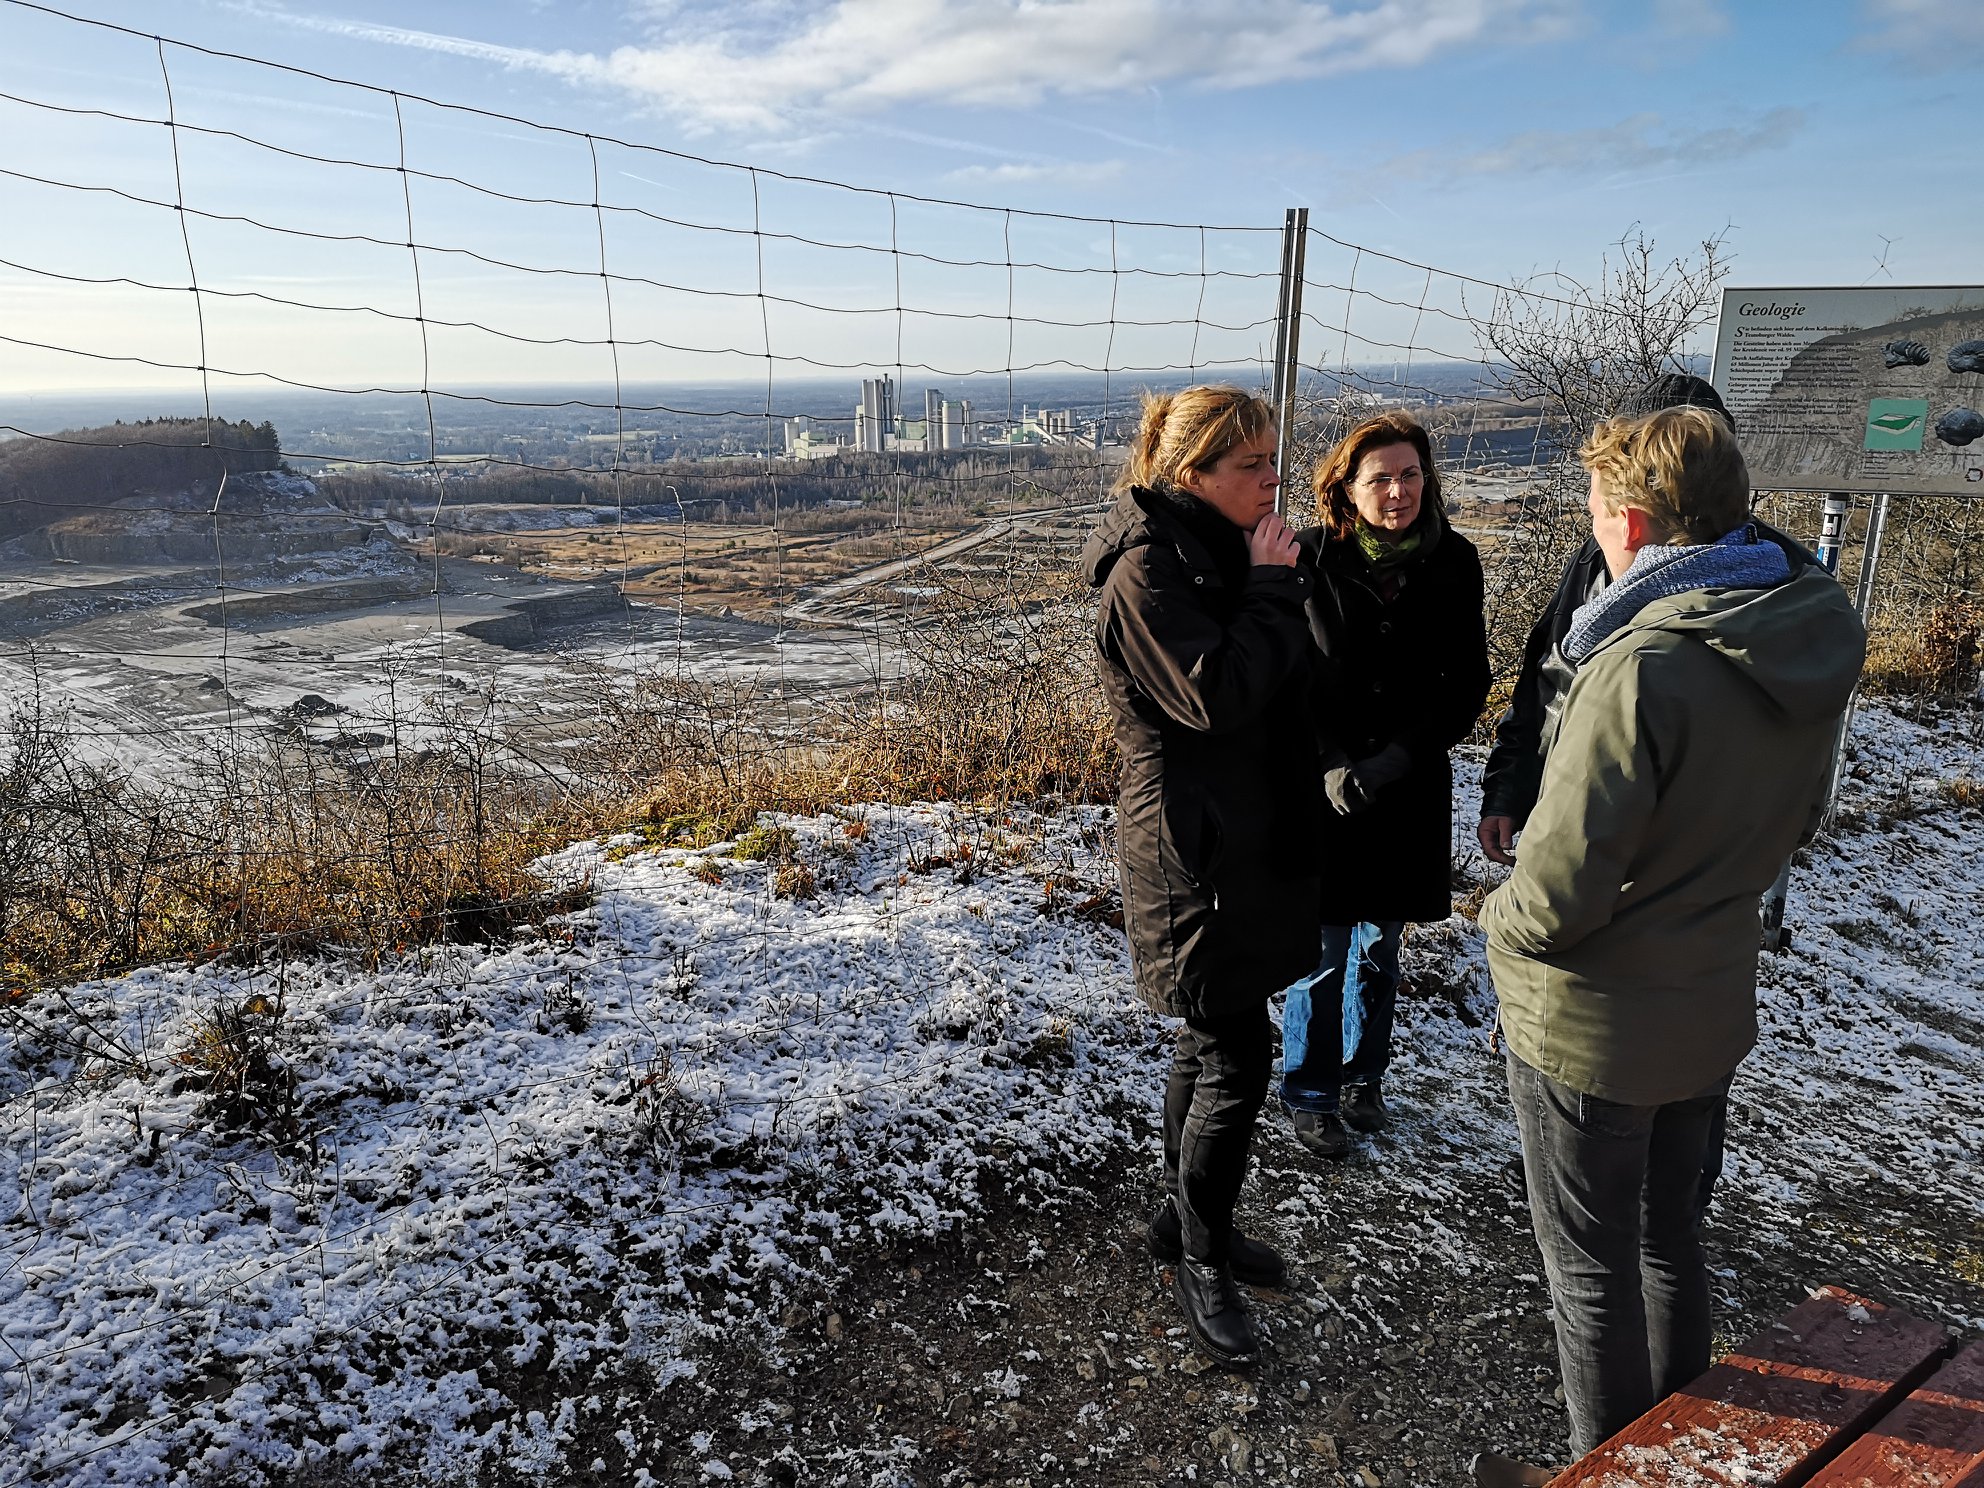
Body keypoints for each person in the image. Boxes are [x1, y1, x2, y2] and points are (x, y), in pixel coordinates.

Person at [1481, 406, 1864, 1460]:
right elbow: (1799, 820)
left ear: (1636, 525)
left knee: (1588, 1272)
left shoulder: (1641, 664)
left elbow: (1557, 891)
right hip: (1710, 992)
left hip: (1594, 1025)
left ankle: (1612, 1471)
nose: (1595, 533)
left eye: (1599, 512)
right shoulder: (1798, 625)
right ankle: (1682, 1447)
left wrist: (1495, 923)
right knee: (1668, 1239)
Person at [1081, 385, 1326, 1366]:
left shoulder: (1220, 550)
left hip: (1247, 834)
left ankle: (1183, 1224)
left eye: (1274, 459)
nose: (1274, 477)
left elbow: (1285, 681)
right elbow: (1214, 698)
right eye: (1252, 464)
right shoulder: (1146, 574)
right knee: (1236, 1051)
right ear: (1193, 477)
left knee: (1210, 1033)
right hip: (1194, 849)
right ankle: (1201, 1256)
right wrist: (1272, 590)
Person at [1280, 412, 1489, 1158]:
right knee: (1321, 947)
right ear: (1347, 486)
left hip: (1407, 790)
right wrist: (1330, 762)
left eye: (1409, 475)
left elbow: (1467, 681)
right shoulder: (1308, 557)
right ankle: (1309, 1089)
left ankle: (1365, 1078)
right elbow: (1287, 678)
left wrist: (1399, 758)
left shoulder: (1455, 561)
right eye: (1380, 478)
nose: (1397, 491)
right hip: (1323, 791)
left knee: (1379, 947)